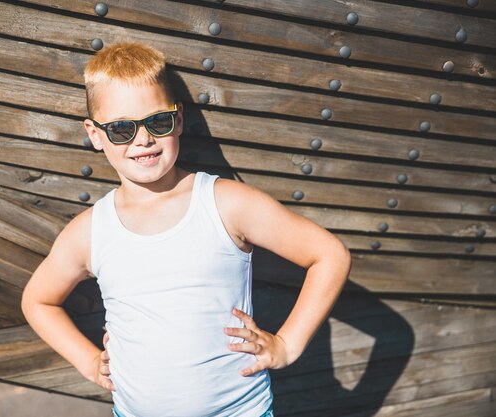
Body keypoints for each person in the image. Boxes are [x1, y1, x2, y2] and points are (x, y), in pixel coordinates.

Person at [21, 41, 351, 417]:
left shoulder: (226, 204)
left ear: (177, 120)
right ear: (95, 134)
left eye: (156, 122)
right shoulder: (90, 231)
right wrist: (88, 361)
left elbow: (329, 255)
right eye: (121, 129)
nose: (142, 139)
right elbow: (38, 301)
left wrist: (288, 344)